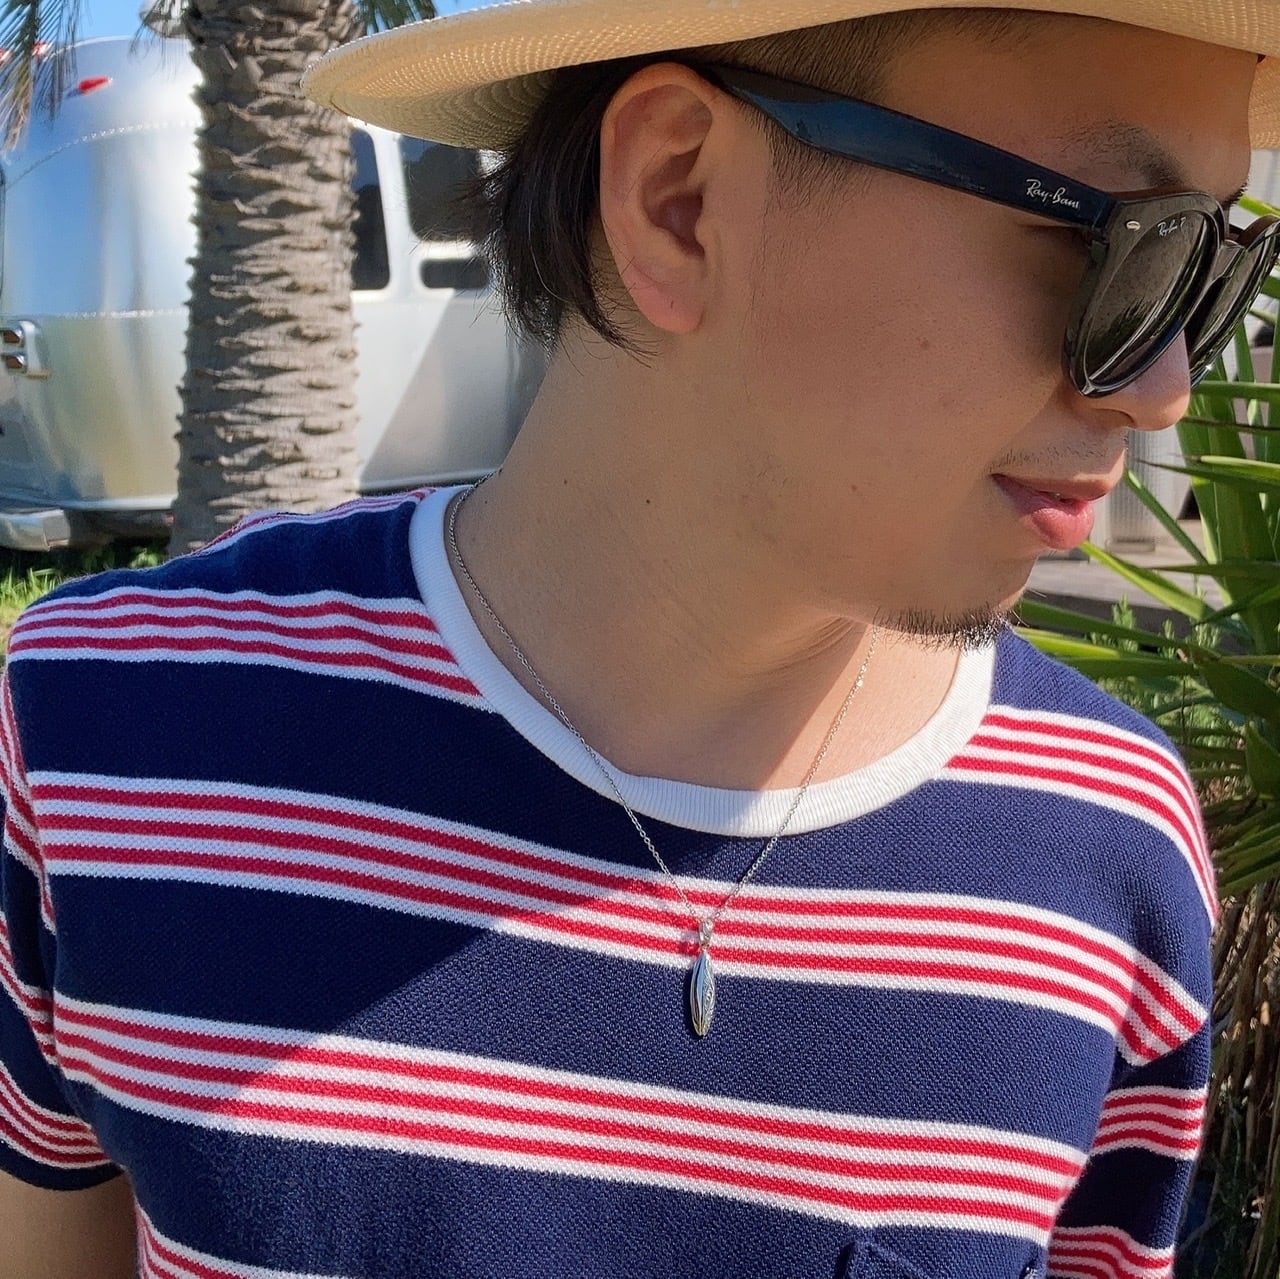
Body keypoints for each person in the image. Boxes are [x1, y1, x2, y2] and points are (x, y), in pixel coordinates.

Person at [1, 2, 1276, 1275]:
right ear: (679, 198)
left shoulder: (1106, 848)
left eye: (1212, 268)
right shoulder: (105, 735)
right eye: (1128, 242)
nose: (1164, 384)